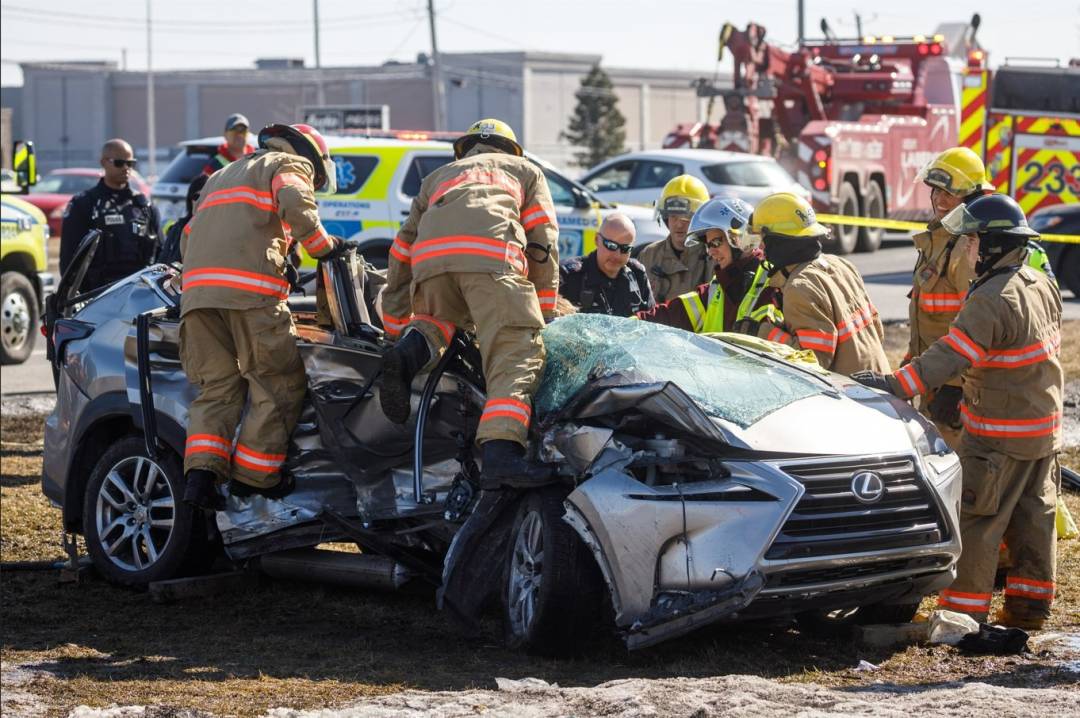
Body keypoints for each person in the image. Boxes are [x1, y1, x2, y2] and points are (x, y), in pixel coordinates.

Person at [853, 194, 1063, 629]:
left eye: (969, 242)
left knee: (978, 520)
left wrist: (894, 385)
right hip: (1042, 433)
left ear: (988, 246)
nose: (964, 251)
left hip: (997, 438)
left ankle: (960, 612)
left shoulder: (990, 298)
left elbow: (949, 356)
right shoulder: (1038, 282)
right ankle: (1030, 608)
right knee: (1034, 518)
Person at [379, 118, 559, 487]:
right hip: (491, 258)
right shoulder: (526, 171)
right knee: (515, 353)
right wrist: (544, 313)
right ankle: (502, 455)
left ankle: (409, 353)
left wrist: (396, 328)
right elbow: (543, 242)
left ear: (466, 149)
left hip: (431, 262)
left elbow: (400, 251)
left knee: (438, 323)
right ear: (511, 150)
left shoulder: (439, 177)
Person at [179, 123, 342, 510]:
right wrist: (325, 248)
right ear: (310, 157)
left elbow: (189, 235)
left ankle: (200, 476)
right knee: (277, 381)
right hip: (250, 296)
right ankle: (255, 477)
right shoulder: (287, 163)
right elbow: (295, 202)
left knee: (217, 387)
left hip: (198, 297)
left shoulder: (222, 175)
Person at [739, 192, 890, 375]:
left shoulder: (799, 288)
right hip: (880, 381)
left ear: (778, 241)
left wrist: (762, 333)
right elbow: (876, 328)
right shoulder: (840, 264)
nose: (760, 248)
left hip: (851, 395)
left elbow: (813, 362)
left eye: (763, 240)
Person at [907, 147, 990, 447]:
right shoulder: (939, 240)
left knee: (954, 471)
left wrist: (955, 387)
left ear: (970, 197)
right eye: (935, 191)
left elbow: (977, 325)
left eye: (948, 194)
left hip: (954, 387)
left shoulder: (965, 249)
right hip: (932, 377)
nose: (939, 201)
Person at [637, 197, 780, 333]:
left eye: (716, 243)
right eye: (707, 246)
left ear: (740, 238)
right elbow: (672, 313)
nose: (711, 252)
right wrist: (630, 323)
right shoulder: (717, 287)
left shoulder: (774, 282)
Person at [59, 138, 161, 291]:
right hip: (97, 294)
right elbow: (69, 258)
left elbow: (161, 253)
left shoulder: (144, 206)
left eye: (130, 163)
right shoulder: (85, 204)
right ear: (104, 162)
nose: (126, 168)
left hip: (140, 293)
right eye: (120, 163)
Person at [636, 174, 713, 303]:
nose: (678, 224)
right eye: (673, 217)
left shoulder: (713, 256)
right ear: (665, 218)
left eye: (685, 218)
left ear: (698, 220)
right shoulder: (649, 255)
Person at [558, 213, 654, 315]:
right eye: (611, 245)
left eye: (625, 248)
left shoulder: (637, 274)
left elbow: (651, 322)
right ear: (596, 240)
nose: (617, 255)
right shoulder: (568, 276)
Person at [157, 174, 208, 265]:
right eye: (196, 197)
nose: (200, 201)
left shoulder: (220, 229)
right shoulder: (179, 227)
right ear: (189, 200)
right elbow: (162, 262)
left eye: (205, 196)